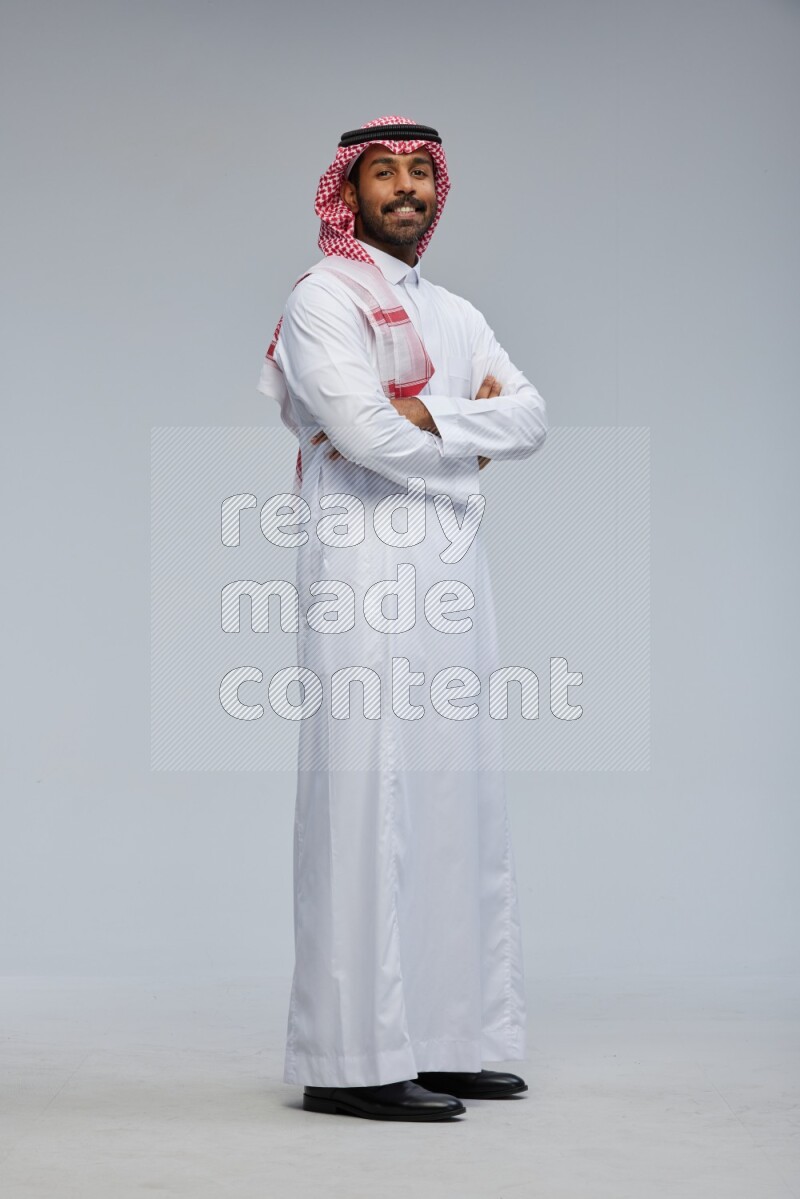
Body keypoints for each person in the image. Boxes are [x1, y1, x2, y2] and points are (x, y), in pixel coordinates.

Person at [257, 115, 547, 1122]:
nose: (405, 190)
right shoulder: (319, 298)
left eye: (420, 173)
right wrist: (461, 433)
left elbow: (532, 416)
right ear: (349, 191)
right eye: (383, 174)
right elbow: (363, 430)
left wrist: (435, 417)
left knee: (453, 794)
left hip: (451, 569)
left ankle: (449, 1035)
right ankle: (349, 1056)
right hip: (360, 559)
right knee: (364, 796)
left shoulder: (458, 314)